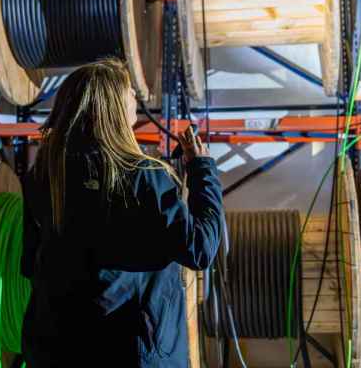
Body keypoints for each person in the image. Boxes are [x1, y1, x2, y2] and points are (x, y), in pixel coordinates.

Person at [22, 58, 223, 367]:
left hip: (57, 348)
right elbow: (199, 248)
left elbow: (29, 262)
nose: (135, 100)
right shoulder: (142, 175)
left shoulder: (42, 176)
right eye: (130, 92)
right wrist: (202, 171)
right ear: (113, 106)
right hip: (131, 353)